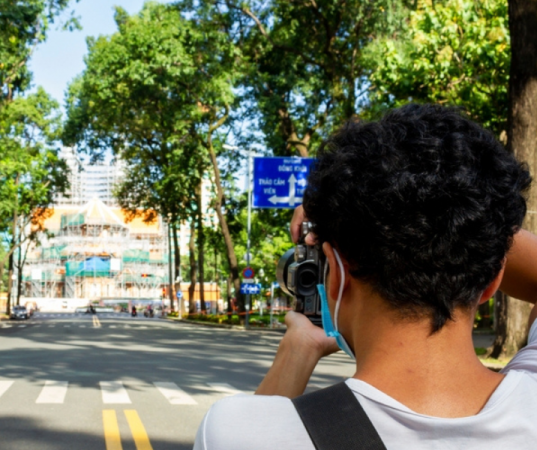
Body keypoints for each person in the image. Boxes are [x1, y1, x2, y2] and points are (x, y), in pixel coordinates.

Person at [194, 104, 537, 449]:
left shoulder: (235, 433)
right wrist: (477, 228)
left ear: (335, 275)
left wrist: (300, 347)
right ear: (492, 279)